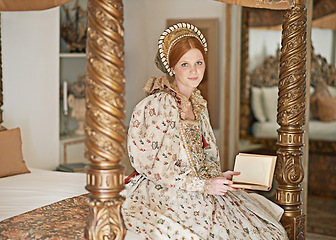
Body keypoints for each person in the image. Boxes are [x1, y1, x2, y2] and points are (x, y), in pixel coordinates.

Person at [121, 22, 288, 240]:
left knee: (268, 232)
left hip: (200, 185)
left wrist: (219, 177)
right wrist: (204, 185)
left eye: (199, 63)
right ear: (172, 68)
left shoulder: (198, 102)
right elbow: (155, 168)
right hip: (167, 190)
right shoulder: (159, 104)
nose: (193, 71)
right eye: (184, 64)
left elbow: (203, 157)